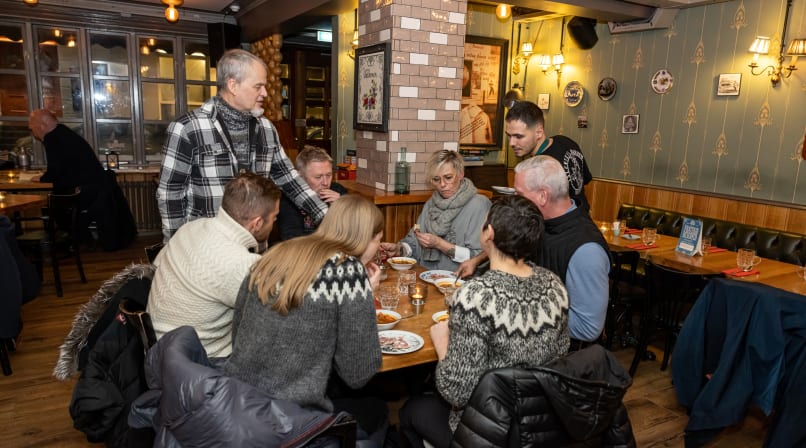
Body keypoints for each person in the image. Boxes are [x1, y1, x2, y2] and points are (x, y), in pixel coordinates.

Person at [399, 195, 570, 447]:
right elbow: (561, 351)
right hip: (540, 422)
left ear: (488, 233)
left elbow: (456, 392)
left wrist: (442, 340)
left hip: (486, 432)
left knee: (410, 411)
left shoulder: (476, 295)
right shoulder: (553, 284)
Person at [224, 194, 386, 445]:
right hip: (292, 421)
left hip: (239, 402)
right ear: (365, 239)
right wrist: (363, 293)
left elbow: (238, 331)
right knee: (379, 408)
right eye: (378, 240)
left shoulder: (276, 252)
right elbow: (358, 374)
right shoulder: (348, 272)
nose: (378, 248)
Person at [156, 48, 327, 242]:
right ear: (233, 85)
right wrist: (176, 245)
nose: (265, 93)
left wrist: (325, 215)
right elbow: (170, 193)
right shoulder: (187, 128)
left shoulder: (266, 128)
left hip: (254, 243)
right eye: (258, 86)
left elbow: (288, 178)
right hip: (206, 245)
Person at [456, 156, 610, 346]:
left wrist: (516, 312)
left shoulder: (586, 251)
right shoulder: (536, 222)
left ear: (543, 196)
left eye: (519, 193)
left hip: (553, 358)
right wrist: (478, 260)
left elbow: (588, 328)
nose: (515, 200)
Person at [147, 172, 281, 359]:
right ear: (257, 223)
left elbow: (157, 264)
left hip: (159, 343)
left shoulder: (191, 227)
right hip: (197, 364)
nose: (275, 222)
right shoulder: (240, 264)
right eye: (274, 217)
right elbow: (284, 310)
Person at [379, 150, 490, 271]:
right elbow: (414, 242)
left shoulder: (479, 205)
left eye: (448, 177)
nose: (442, 184)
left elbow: (482, 257)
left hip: (460, 281)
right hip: (426, 276)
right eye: (436, 179)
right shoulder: (431, 204)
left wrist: (439, 244)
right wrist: (398, 249)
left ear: (461, 174)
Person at [506, 101, 592, 212]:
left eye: (518, 136)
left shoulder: (540, 167)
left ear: (539, 132)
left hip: (560, 226)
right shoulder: (567, 142)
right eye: (509, 136)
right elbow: (584, 181)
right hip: (582, 219)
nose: (511, 143)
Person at [28, 109, 106, 209]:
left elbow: (55, 171)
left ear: (42, 126)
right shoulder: (62, 131)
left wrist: (42, 178)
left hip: (82, 195)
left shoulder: (52, 138)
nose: (33, 132)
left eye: (32, 128)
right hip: (94, 192)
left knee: (50, 205)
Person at [277, 145, 347, 240]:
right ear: (300, 177)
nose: (325, 183)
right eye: (318, 177)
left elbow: (354, 234)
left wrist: (343, 208)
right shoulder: (288, 199)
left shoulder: (338, 191)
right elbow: (293, 241)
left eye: (329, 175)